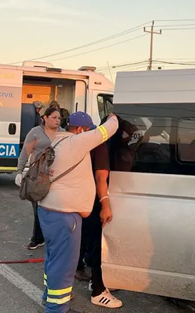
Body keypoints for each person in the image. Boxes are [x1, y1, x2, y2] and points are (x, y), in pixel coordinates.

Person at [38, 112, 118, 313]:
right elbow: (109, 129)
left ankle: (49, 296)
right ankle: (56, 308)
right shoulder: (77, 142)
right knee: (64, 266)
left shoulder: (57, 140)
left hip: (47, 210)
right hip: (65, 215)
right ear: (81, 130)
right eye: (88, 129)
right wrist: (113, 117)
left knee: (53, 258)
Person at [78, 137, 123, 308]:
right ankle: (98, 290)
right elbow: (100, 178)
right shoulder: (101, 146)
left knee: (90, 243)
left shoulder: (81, 142)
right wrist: (105, 205)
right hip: (93, 203)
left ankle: (96, 280)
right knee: (97, 244)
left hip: (84, 202)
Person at [16, 107, 63, 250]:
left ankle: (52, 237)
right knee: (38, 208)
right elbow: (25, 152)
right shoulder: (35, 132)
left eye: (59, 118)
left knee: (54, 208)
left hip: (56, 176)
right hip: (38, 175)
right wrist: (19, 171)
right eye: (54, 117)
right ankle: (37, 238)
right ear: (45, 118)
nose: (57, 121)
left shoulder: (62, 133)